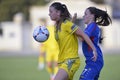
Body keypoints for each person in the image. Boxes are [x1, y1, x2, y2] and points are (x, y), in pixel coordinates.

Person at [49, 2, 97, 80]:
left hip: (71, 60)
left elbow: (83, 35)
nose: (49, 14)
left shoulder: (67, 24)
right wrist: (73, 21)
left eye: (51, 11)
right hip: (61, 61)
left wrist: (94, 50)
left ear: (58, 13)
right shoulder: (56, 26)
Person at [79, 7, 112, 80]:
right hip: (93, 61)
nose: (83, 16)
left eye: (85, 14)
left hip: (94, 61)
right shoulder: (90, 27)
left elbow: (82, 38)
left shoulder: (92, 26)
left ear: (92, 16)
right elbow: (82, 37)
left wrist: (73, 29)